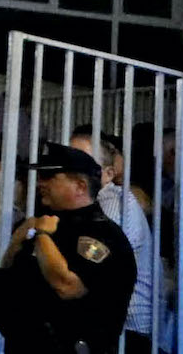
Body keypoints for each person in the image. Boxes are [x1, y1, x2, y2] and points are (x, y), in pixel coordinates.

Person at [0, 142, 137, 353]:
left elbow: (67, 285)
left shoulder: (102, 235)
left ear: (80, 186)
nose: (40, 184)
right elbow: (10, 269)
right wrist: (22, 236)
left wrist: (43, 235)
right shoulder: (47, 222)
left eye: (50, 177)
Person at [74, 129, 156, 352]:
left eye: (81, 159)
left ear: (108, 174)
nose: (70, 165)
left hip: (128, 331)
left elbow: (95, 260)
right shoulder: (90, 206)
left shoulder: (112, 203)